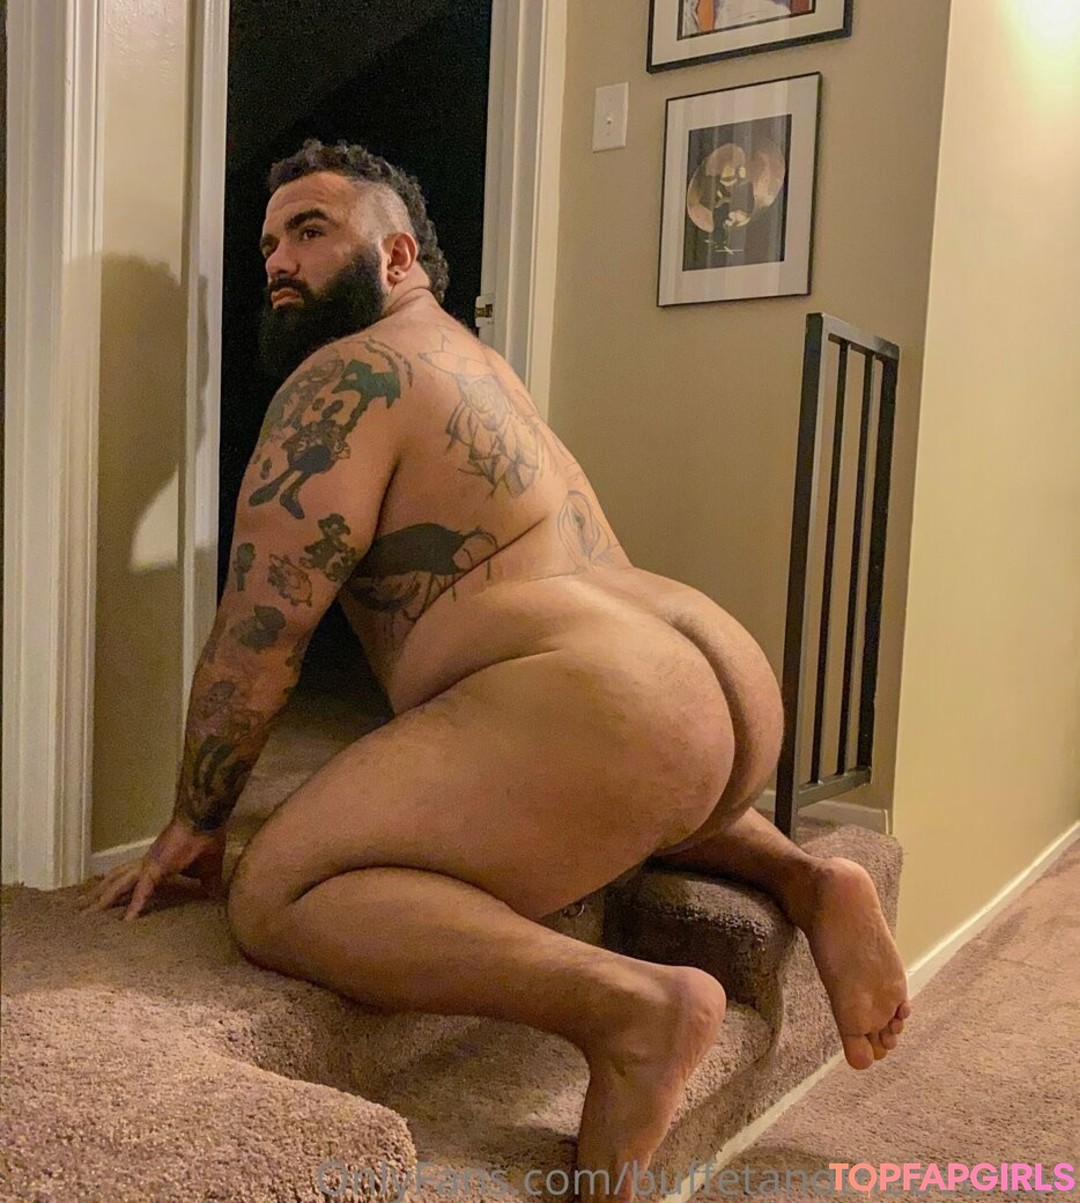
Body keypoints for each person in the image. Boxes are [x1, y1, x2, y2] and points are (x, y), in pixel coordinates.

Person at [80, 139, 910, 1202]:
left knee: (280, 889)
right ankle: (807, 877)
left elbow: (260, 633)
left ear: (395, 257)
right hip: (708, 684)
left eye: (311, 231)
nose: (278, 261)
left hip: (610, 705)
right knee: (606, 775)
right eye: (269, 243)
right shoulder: (480, 368)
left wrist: (198, 819)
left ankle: (631, 1011)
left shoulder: (342, 380)